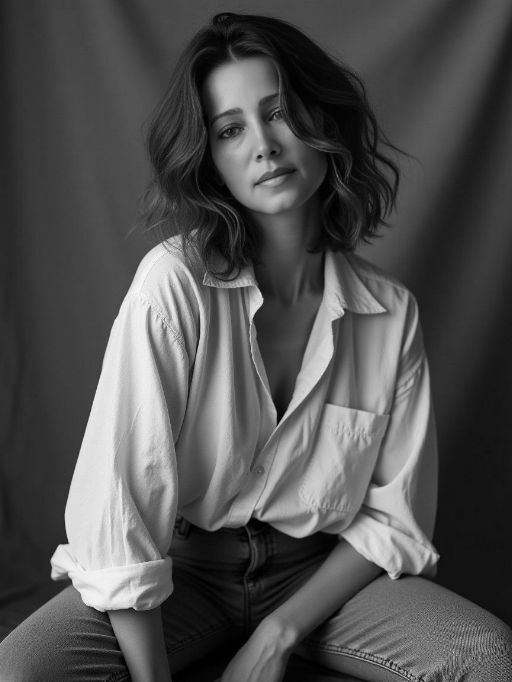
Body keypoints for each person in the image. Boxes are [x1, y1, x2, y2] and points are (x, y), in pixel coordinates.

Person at [1, 11, 511, 682]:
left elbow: (394, 515)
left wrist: (279, 632)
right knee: (22, 670)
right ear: (210, 160)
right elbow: (120, 510)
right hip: (183, 573)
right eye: (230, 129)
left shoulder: (386, 315)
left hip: (319, 580)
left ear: (323, 123)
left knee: (487, 657)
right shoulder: (174, 285)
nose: (264, 146)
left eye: (279, 113)